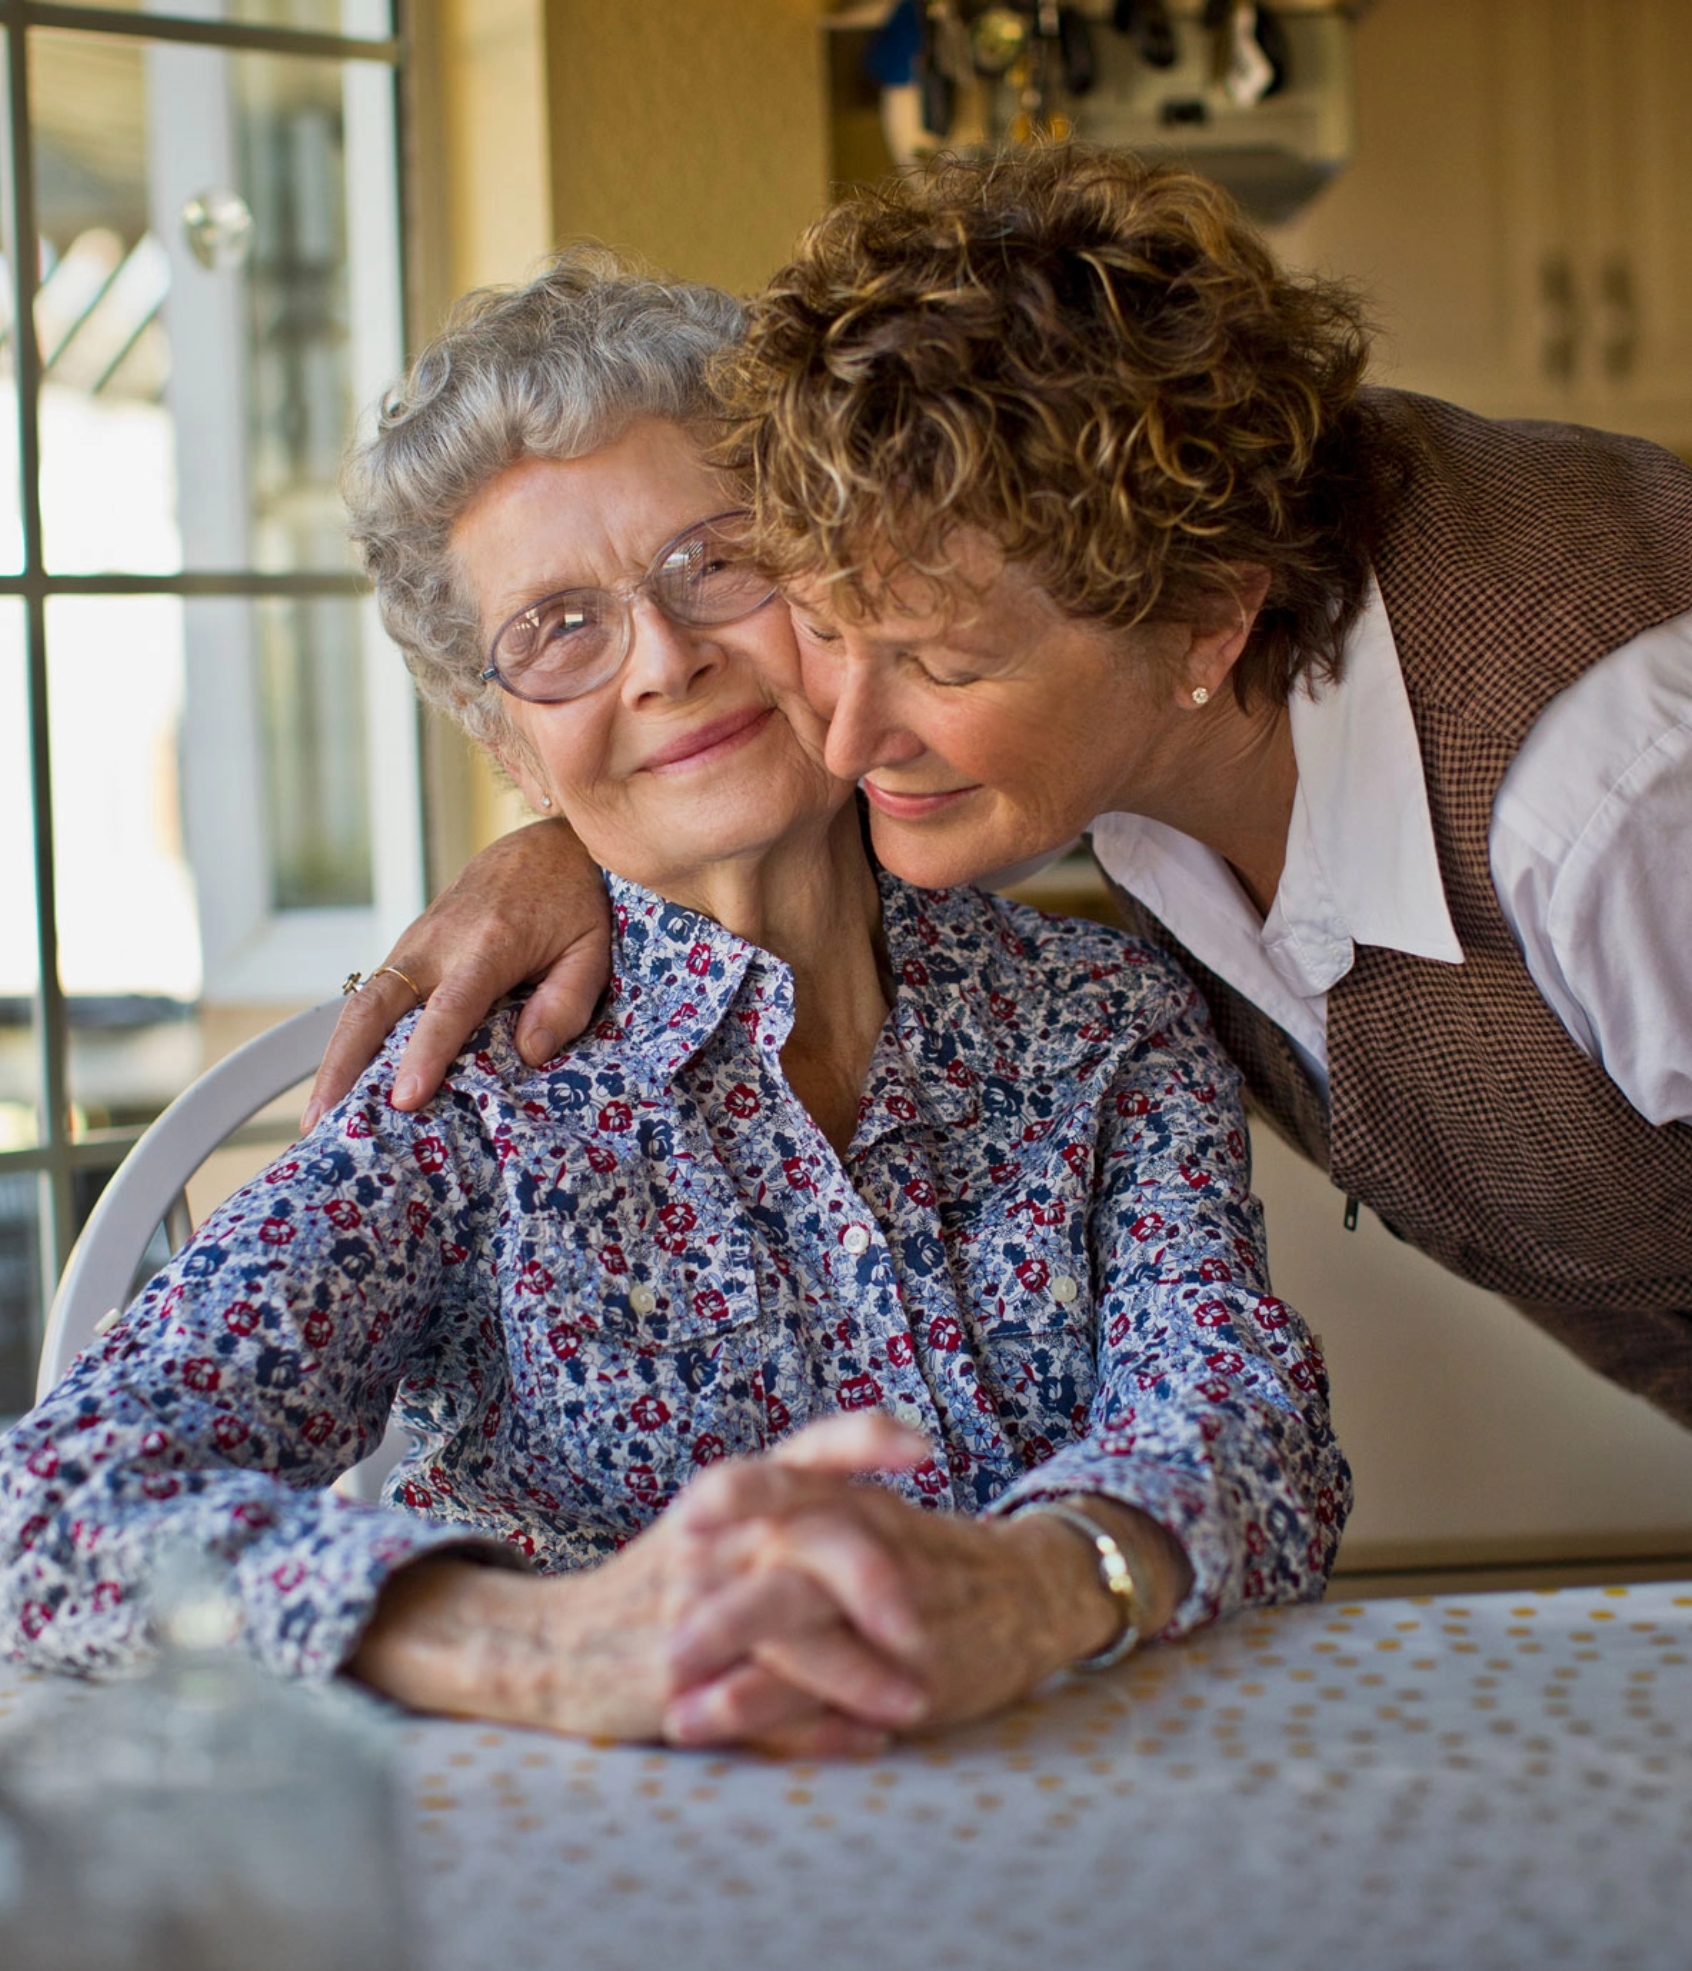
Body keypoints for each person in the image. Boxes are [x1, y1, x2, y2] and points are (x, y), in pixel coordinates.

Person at [0, 251, 1345, 1755]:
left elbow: (1247, 1416)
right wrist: (540, 1641)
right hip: (602, 1839)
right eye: (557, 628)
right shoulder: (468, 1083)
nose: (666, 661)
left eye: (717, 561)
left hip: (1060, 1797)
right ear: (505, 742)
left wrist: (1032, 1590)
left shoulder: (1096, 1014)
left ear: (836, 586)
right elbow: (52, 1506)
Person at [322, 144, 1692, 1426]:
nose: (849, 739)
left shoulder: (1618, 800)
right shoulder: (1056, 604)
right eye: (830, 625)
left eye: (939, 664)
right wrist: (567, 846)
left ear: (1207, 621)